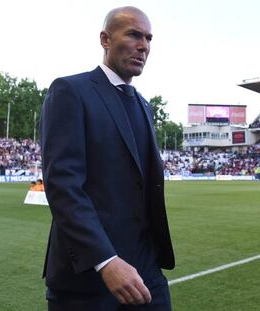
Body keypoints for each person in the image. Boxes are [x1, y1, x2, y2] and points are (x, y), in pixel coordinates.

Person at [40, 6, 175, 311]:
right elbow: (63, 186)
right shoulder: (70, 91)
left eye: (149, 38)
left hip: (147, 272)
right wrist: (105, 260)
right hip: (90, 279)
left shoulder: (144, 105)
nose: (144, 46)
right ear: (105, 39)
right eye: (133, 35)